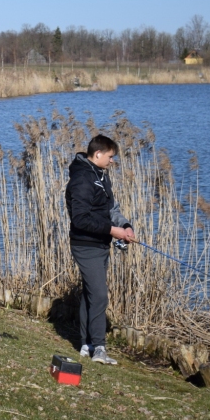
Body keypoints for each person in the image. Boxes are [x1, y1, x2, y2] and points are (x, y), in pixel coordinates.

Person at [65, 134, 135, 365]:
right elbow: (81, 219)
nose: (113, 161)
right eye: (110, 157)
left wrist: (125, 226)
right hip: (85, 245)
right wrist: (112, 231)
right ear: (98, 154)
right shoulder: (82, 179)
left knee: (90, 294)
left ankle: (86, 344)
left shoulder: (101, 176)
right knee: (100, 296)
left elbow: (111, 208)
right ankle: (99, 348)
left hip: (100, 243)